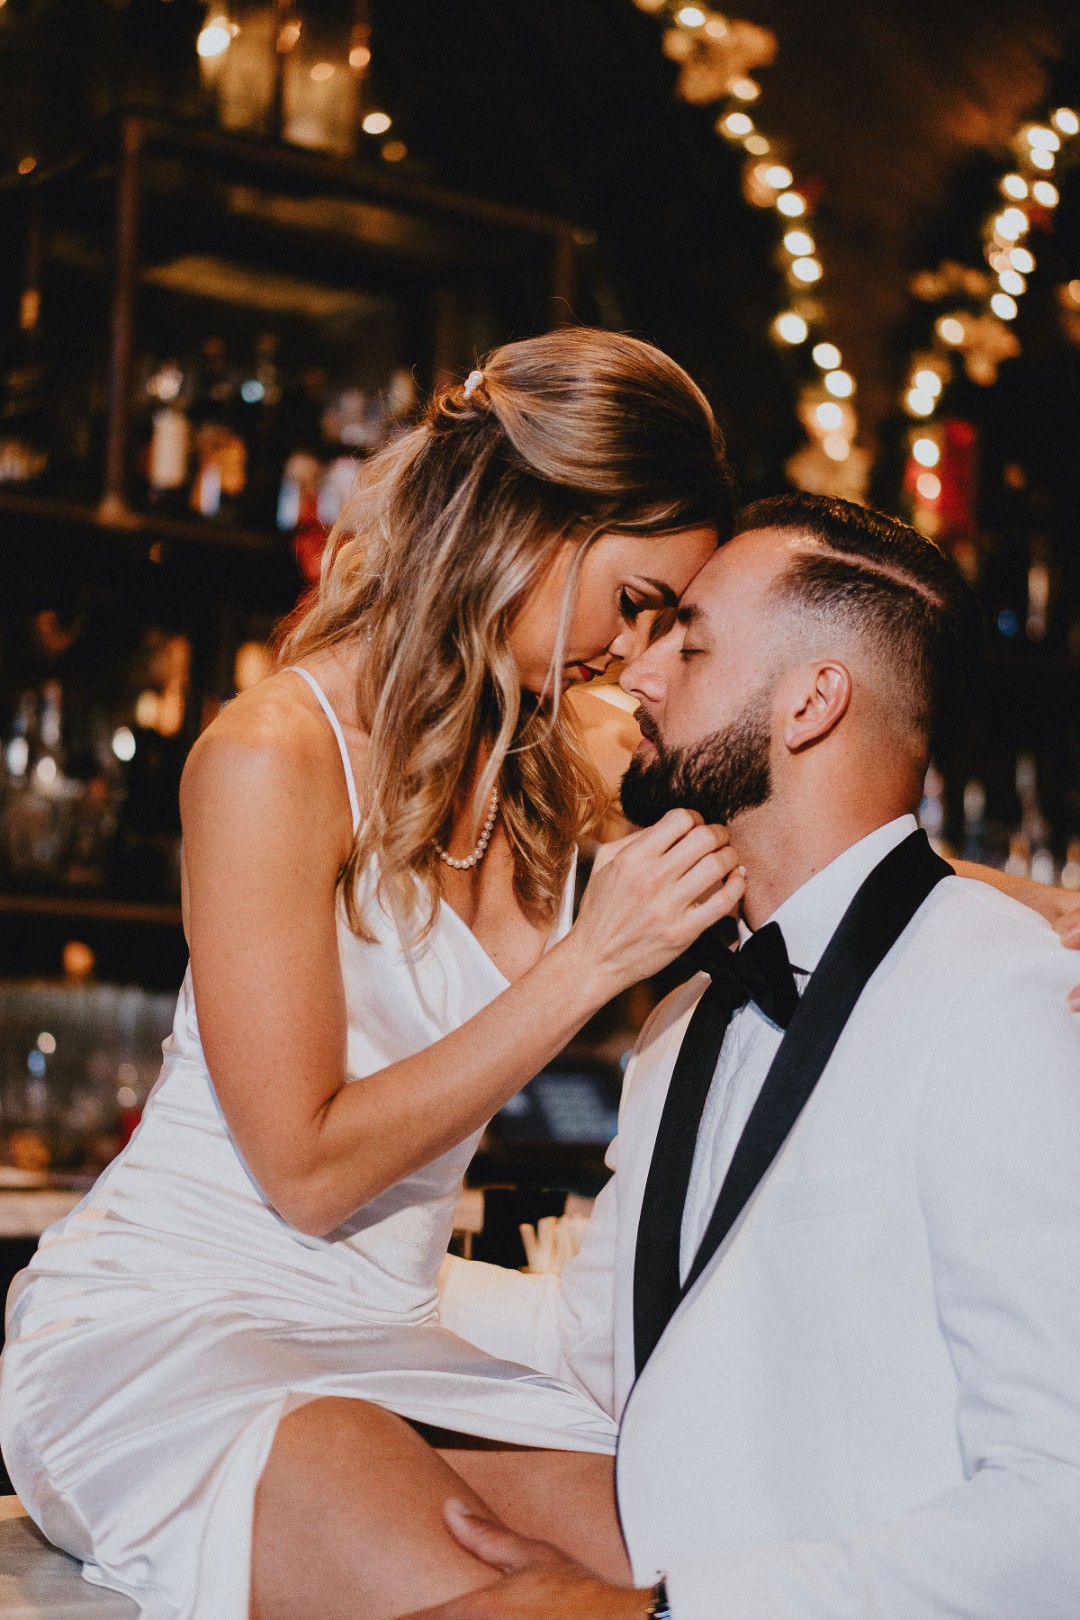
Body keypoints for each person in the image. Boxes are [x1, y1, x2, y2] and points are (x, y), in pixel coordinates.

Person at [0, 328, 747, 1620]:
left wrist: (1029, 913)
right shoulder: (272, 756)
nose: (635, 657)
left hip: (393, 1335)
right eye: (635, 601)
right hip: (177, 1327)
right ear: (536, 522)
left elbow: (802, 864)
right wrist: (584, 968)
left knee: (710, 1547)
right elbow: (303, 1168)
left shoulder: (559, 758)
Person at [432, 493, 1080, 1620]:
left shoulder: (1002, 991)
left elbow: (1062, 1510)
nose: (635, 677)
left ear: (812, 700)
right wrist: (280, 1286)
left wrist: (672, 1615)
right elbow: (598, 1351)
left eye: (689, 642)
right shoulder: (681, 1016)